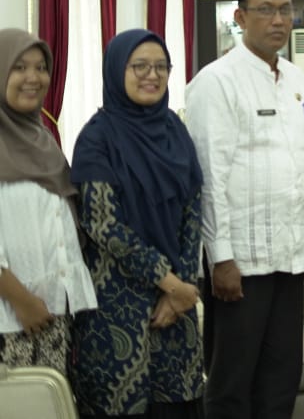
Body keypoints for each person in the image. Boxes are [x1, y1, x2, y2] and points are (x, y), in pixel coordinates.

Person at [185, 0, 304, 419]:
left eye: (285, 10)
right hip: (239, 264)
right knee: (230, 384)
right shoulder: (215, 81)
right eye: (265, 10)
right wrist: (220, 257)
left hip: (289, 257)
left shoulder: (301, 84)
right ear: (240, 18)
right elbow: (209, 178)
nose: (278, 20)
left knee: (282, 380)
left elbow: (303, 171)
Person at [71, 29, 204, 418]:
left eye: (161, 67)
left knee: (177, 405)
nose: (152, 75)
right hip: (117, 306)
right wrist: (172, 283)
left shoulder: (176, 132)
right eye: (140, 66)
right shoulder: (96, 138)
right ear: (116, 69)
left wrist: (179, 289)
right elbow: (103, 223)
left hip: (175, 307)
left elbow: (192, 212)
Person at [0, 29, 95, 374]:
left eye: (41, 68)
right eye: (19, 67)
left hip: (52, 314)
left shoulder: (44, 139)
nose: (33, 78)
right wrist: (21, 301)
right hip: (10, 320)